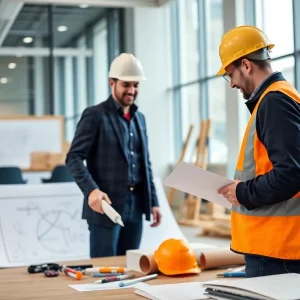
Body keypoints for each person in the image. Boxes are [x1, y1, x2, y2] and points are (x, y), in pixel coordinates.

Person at [216, 25, 300, 277]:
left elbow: (291, 174)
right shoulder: (282, 97)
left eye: (230, 74)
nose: (231, 84)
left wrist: (241, 191)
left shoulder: (274, 102)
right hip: (277, 247)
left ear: (246, 65)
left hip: (277, 250)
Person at [66, 53, 162, 258]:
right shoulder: (95, 115)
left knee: (131, 265)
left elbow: (145, 162)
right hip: (106, 206)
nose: (132, 90)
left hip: (136, 205)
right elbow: (73, 157)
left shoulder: (140, 118)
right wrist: (91, 191)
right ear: (112, 83)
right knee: (104, 267)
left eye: (136, 85)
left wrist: (154, 201)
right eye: (126, 84)